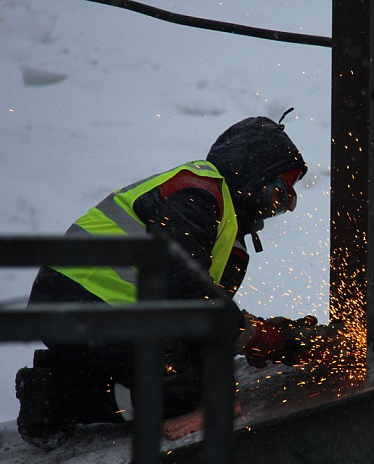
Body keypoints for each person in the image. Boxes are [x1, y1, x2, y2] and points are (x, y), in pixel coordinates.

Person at [15, 113, 323, 449]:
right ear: (252, 174)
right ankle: (48, 397)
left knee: (199, 367)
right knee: (181, 390)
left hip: (106, 308)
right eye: (279, 194)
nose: (281, 209)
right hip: (78, 298)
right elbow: (183, 289)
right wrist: (252, 336)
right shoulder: (197, 196)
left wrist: (261, 334)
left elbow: (196, 313)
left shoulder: (226, 226)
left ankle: (66, 372)